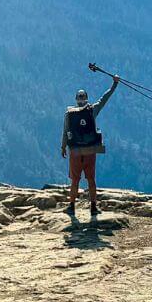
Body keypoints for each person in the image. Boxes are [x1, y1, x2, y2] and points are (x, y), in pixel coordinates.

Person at [62, 76, 118, 215]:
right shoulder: (92, 110)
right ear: (86, 98)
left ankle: (71, 207)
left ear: (76, 99)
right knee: (91, 179)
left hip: (75, 151)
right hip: (90, 150)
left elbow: (65, 132)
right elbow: (104, 98)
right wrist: (114, 84)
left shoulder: (69, 114)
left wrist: (63, 147)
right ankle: (93, 207)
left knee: (75, 180)